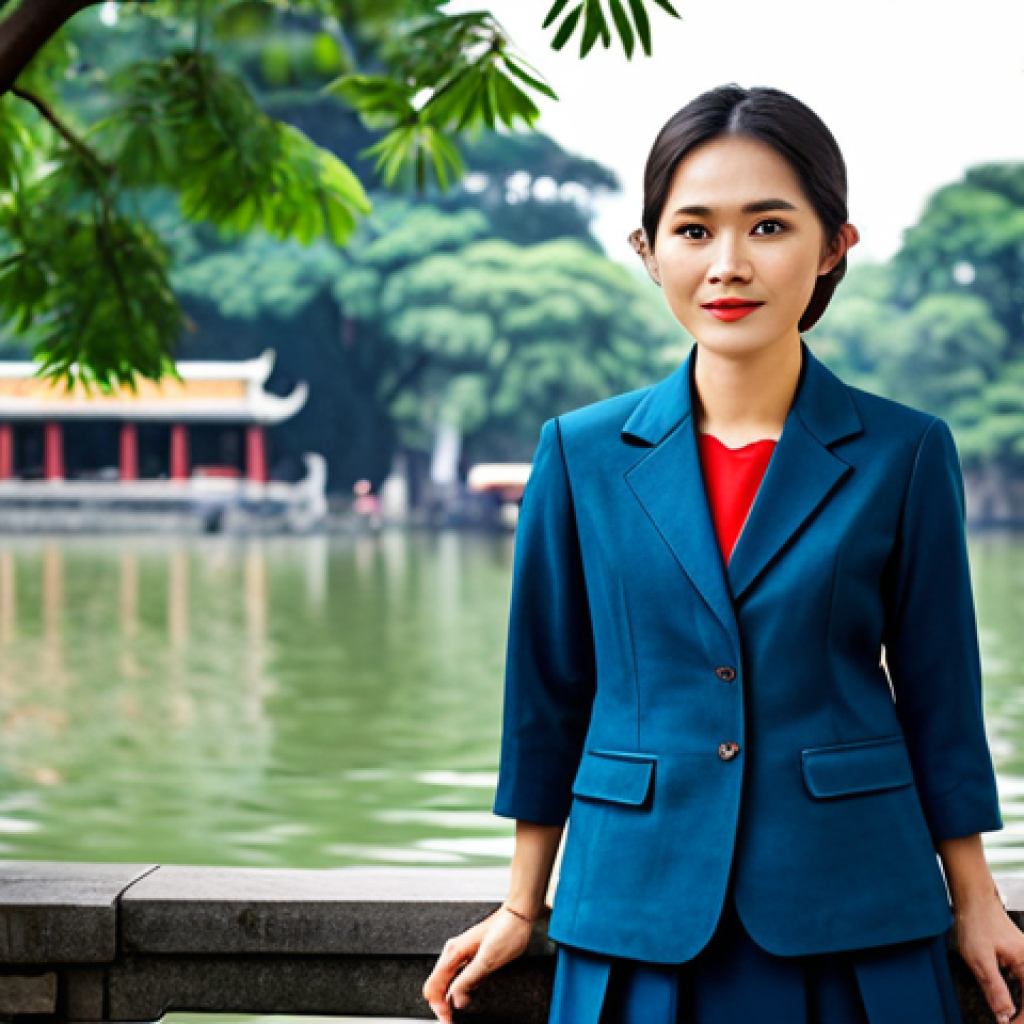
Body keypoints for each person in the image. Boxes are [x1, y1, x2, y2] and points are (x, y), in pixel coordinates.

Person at [421, 83, 1024, 1024]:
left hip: (855, 905)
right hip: (631, 910)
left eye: (769, 227)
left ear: (834, 247)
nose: (728, 265)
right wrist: (518, 902)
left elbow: (942, 693)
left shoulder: (906, 453)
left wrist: (977, 900)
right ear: (648, 250)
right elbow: (546, 691)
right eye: (694, 230)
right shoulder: (578, 454)